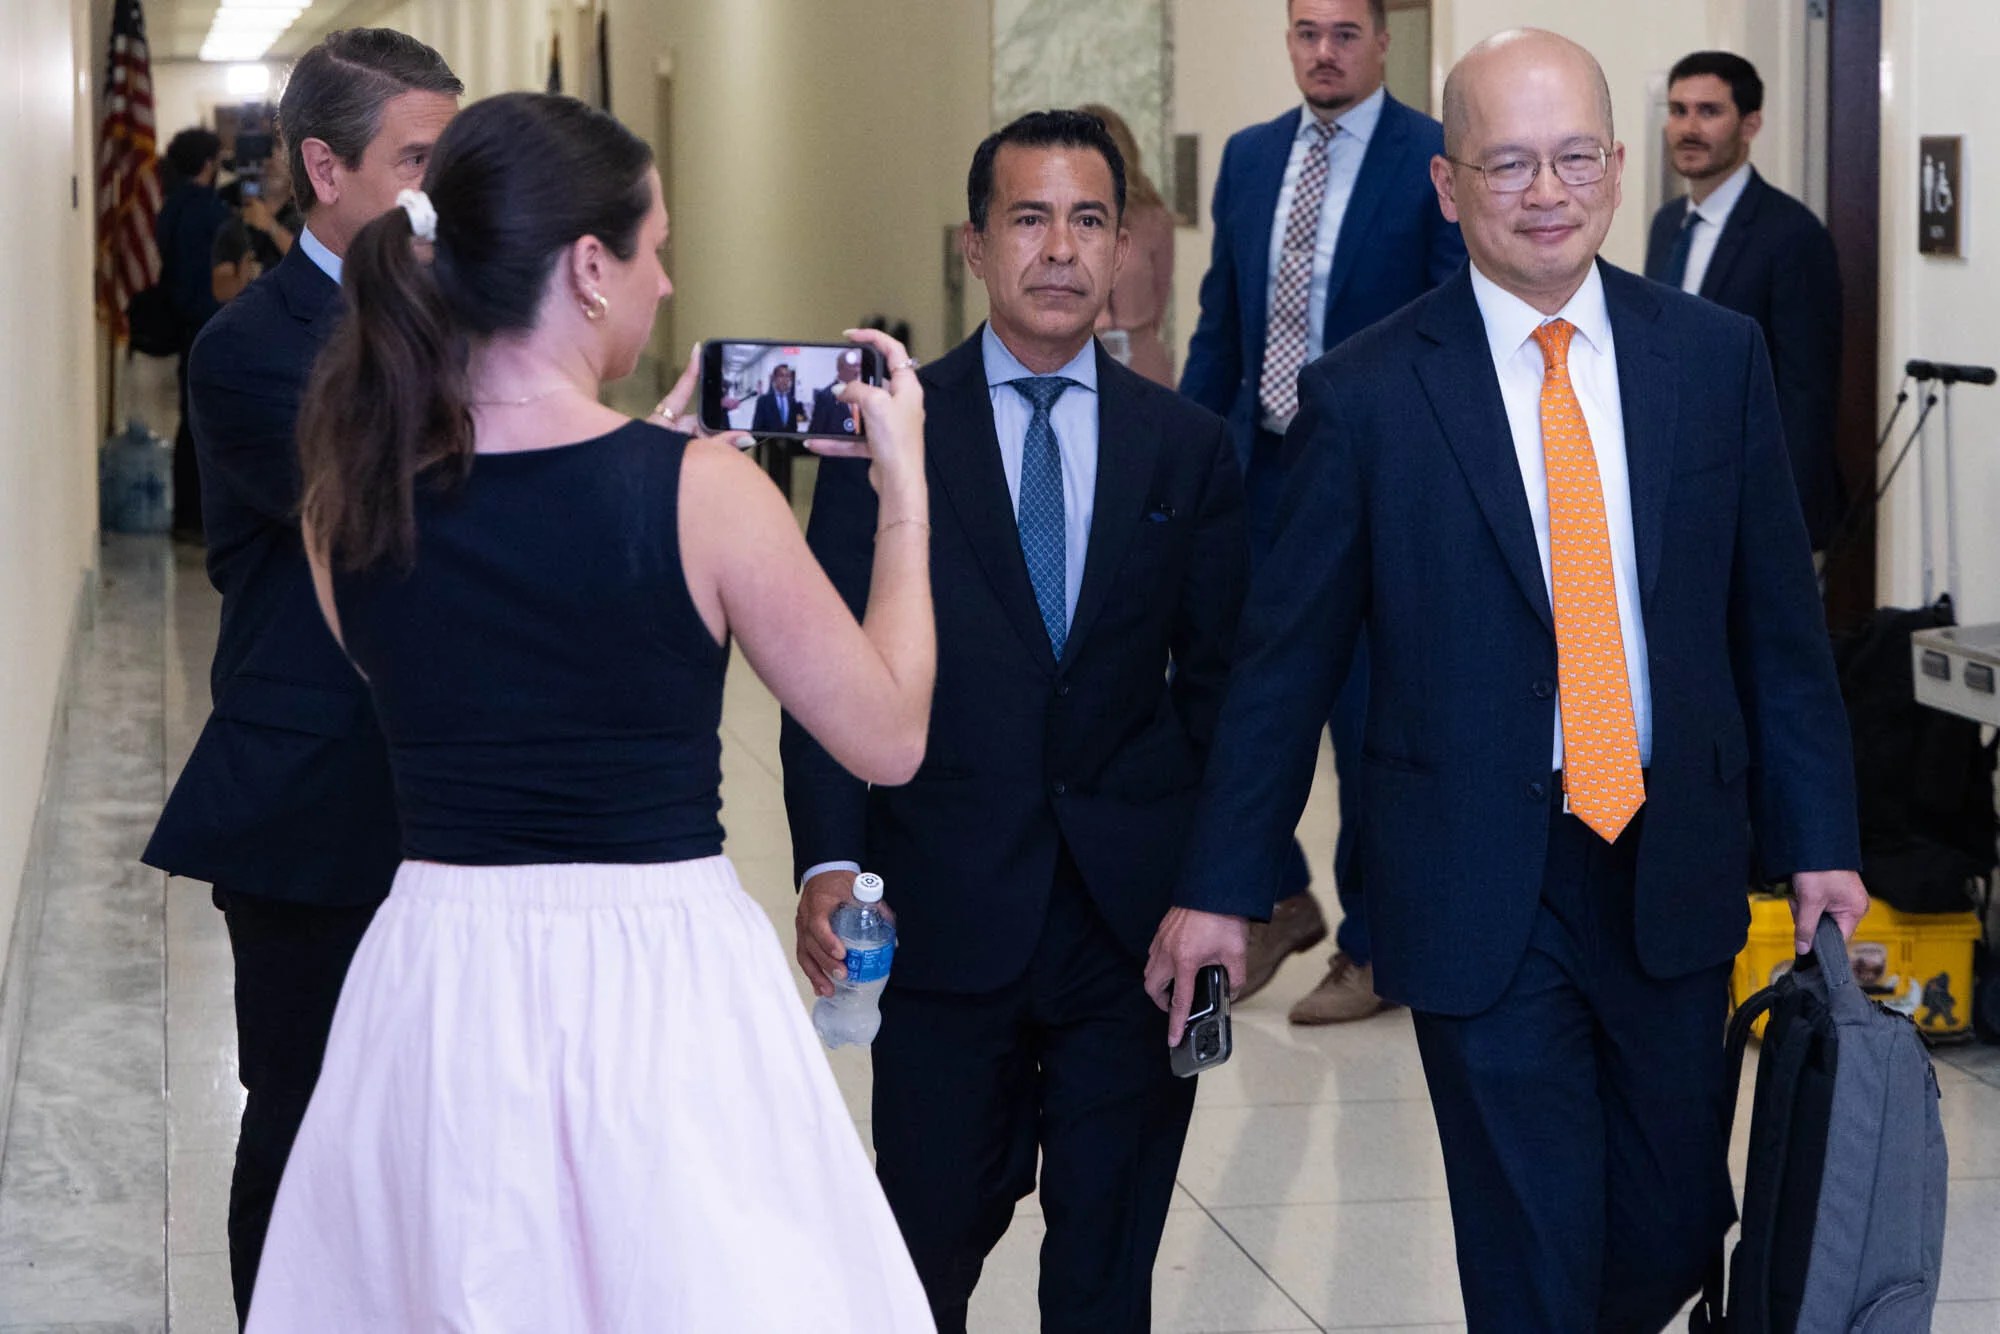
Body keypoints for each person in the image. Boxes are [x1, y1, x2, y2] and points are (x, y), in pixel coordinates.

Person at [1152, 28, 1870, 1331]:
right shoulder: (1366, 397)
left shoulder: (1712, 362)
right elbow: (1283, 664)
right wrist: (1221, 886)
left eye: (1575, 157)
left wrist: (1821, 837)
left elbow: (1780, 635)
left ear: (1614, 166)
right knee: (1532, 1236)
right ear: (1448, 184)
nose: (1549, 191)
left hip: (1671, 855)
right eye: (1509, 164)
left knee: (1666, 1226)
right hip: (1480, 866)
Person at [245, 91, 937, 1331]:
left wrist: (640, 471)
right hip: (657, 975)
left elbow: (464, 676)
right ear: (586, 268)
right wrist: (902, 497)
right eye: (654, 248)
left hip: (439, 972)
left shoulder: (343, 502)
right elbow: (886, 730)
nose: (667, 283)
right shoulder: (703, 494)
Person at [782, 109, 1246, 1333]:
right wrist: (829, 860)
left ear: (1124, 247)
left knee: (1105, 1267)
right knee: (921, 1249)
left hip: (1130, 928)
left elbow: (1220, 688)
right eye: (1027, 219)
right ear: (974, 246)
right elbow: (823, 673)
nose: (1058, 249)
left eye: (1086, 219)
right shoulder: (883, 433)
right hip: (941, 910)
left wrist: (1221, 882)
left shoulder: (1185, 449)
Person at [139, 29, 463, 1327]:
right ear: (324, 168)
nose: (445, 194)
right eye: (419, 162)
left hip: (463, 808)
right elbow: (409, 515)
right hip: (314, 808)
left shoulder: (474, 313)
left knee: (438, 1137)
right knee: (304, 1123)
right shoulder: (251, 346)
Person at [1180, 0, 1466, 1023]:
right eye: (1305, 31)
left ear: (1384, 42)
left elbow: (1448, 326)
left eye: (1344, 32)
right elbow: (1224, 318)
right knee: (1226, 698)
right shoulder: (1251, 158)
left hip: (1376, 483)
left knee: (1361, 719)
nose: (1323, 51)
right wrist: (1183, 454)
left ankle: (1371, 943)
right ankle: (1274, 890)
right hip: (1258, 475)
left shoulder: (1431, 154)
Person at [1645, 51, 1845, 552]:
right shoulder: (1667, 224)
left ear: (1750, 123)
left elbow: (1806, 392)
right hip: (1672, 488)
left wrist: (1783, 520)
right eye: (1678, 110)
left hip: (1752, 494)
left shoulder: (1792, 234)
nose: (1688, 128)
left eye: (1709, 112)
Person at [155, 126, 233, 539]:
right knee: (207, 422)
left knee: (190, 419)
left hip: (184, 320)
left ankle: (186, 515)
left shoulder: (170, 207)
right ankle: (199, 518)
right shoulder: (210, 211)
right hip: (210, 321)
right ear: (208, 164)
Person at [1080, 103, 1176, 386]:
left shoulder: (1154, 220)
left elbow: (1160, 301)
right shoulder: (1060, 226)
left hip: (1141, 360)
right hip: (1076, 355)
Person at [809, 346, 865, 435]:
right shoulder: (825, 396)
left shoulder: (863, 393)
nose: (857, 371)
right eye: (853, 366)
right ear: (840, 367)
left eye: (859, 366)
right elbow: (816, 431)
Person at [751, 362, 809, 434]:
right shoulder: (763, 401)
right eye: (781, 376)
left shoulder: (792, 401)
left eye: (788, 376)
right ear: (774, 378)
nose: (785, 380)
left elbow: (799, 422)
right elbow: (756, 429)